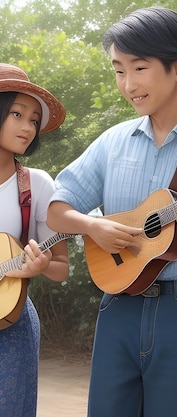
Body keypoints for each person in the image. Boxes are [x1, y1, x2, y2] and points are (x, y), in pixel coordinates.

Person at [46, 7, 177, 417]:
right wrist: (94, 227)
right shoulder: (112, 142)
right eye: (119, 70)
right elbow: (56, 211)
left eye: (139, 68)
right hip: (117, 307)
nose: (127, 84)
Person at [0, 63, 69, 416]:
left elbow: (60, 267)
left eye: (33, 120)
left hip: (10, 324)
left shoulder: (38, 184)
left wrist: (39, 268)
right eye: (17, 114)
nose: (27, 127)